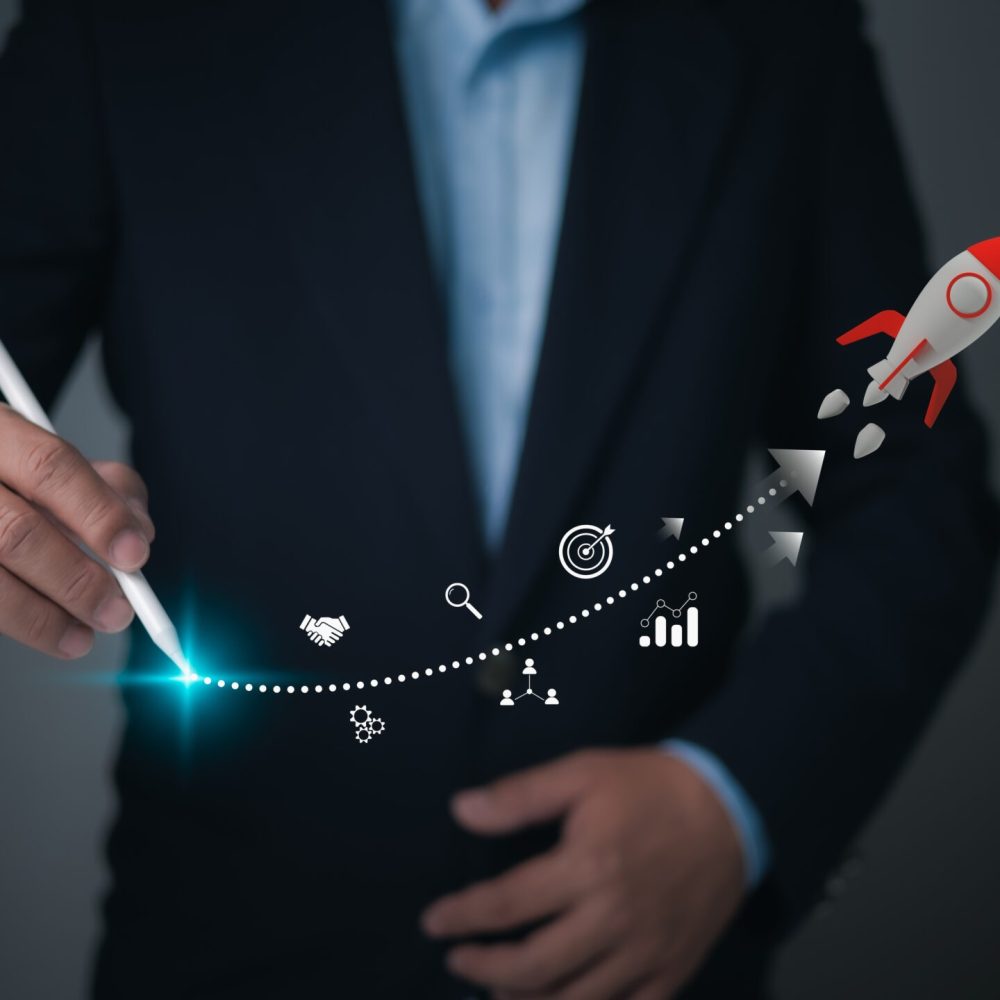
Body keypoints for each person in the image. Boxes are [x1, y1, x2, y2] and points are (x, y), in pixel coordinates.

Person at [0, 1, 995, 997]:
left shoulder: (783, 34)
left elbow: (911, 488)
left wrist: (731, 800)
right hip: (231, 943)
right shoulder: (117, 25)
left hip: (648, 960)